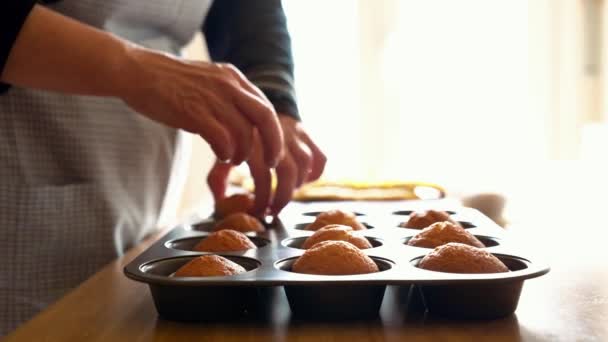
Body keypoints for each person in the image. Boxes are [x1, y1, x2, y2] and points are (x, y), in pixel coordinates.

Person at [0, 0, 326, 335]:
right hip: (27, 161)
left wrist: (270, 102)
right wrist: (132, 67)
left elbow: (242, 9)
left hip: (146, 183)